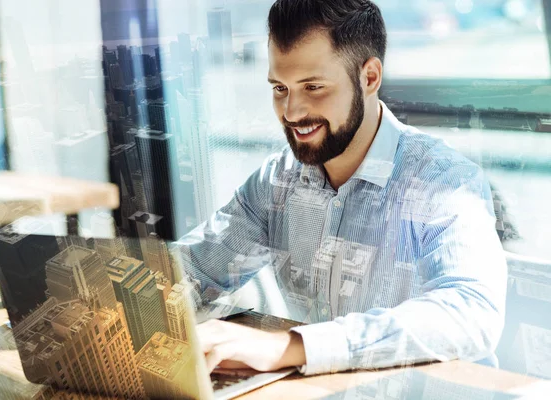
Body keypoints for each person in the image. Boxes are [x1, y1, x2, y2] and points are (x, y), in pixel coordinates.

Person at [177, 0, 507, 375]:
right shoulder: (277, 181)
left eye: (313, 86)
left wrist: (293, 346)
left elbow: (471, 314)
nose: (291, 112)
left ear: (369, 77)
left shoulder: (445, 182)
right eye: (280, 88)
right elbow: (191, 274)